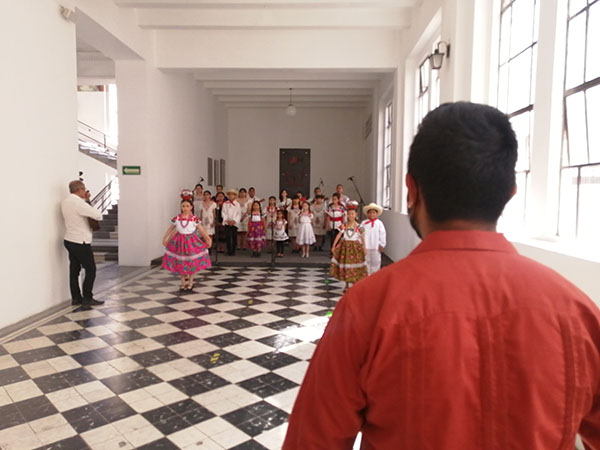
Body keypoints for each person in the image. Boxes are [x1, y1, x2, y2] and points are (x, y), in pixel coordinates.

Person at [283, 102, 600, 450]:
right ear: (510, 194)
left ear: (412, 190)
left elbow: (313, 441)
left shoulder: (367, 305)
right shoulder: (576, 311)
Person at [61, 180, 104, 306]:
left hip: (69, 239)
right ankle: (87, 297)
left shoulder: (65, 202)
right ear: (79, 190)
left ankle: (76, 298)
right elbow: (97, 215)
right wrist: (86, 200)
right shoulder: (78, 203)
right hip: (81, 241)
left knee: (74, 270)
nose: (85, 192)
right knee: (91, 269)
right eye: (84, 189)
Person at [161, 198, 212, 291]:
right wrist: (165, 238)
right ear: (181, 207)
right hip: (179, 242)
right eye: (183, 206)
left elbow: (201, 229)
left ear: (191, 207)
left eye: (187, 206)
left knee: (191, 262)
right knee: (181, 262)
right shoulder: (177, 218)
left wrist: (208, 238)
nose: (185, 208)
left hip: (191, 242)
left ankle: (191, 282)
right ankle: (183, 282)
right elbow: (171, 228)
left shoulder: (194, 219)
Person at [328, 202, 366, 291]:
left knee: (354, 265)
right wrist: (334, 246)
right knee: (346, 265)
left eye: (352, 214)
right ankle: (346, 284)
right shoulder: (344, 225)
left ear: (356, 214)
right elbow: (338, 235)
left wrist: (364, 247)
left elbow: (362, 237)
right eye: (349, 214)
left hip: (355, 248)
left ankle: (355, 283)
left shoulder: (360, 226)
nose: (350, 216)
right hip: (345, 247)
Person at [360, 202, 387, 275]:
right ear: (367, 214)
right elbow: (360, 233)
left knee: (376, 262)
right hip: (366, 246)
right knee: (366, 261)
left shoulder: (379, 223)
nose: (372, 214)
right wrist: (361, 244)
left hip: (376, 246)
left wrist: (382, 244)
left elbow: (382, 234)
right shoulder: (363, 223)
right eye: (370, 213)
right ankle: (367, 275)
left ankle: (375, 276)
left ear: (376, 214)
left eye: (373, 213)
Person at [222, 188, 241, 256]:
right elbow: (223, 212)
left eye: (232, 195)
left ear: (235, 196)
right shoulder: (225, 204)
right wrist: (227, 220)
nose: (231, 196)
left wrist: (234, 221)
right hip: (227, 222)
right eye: (229, 195)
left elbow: (238, 213)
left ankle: (233, 250)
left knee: (234, 236)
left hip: (234, 223)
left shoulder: (237, 204)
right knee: (228, 236)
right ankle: (229, 250)